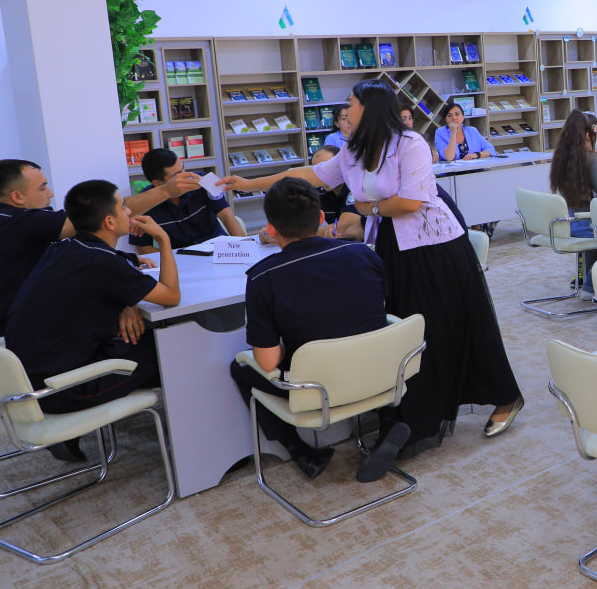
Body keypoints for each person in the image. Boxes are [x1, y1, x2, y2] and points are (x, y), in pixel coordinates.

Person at [220, 79, 523, 454]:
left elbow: (411, 203)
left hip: (435, 245)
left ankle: (505, 397)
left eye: (351, 102)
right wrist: (249, 183)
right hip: (392, 244)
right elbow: (310, 175)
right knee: (406, 329)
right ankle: (413, 414)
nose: (346, 109)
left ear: (371, 108)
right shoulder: (354, 149)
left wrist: (370, 208)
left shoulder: (410, 144)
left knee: (456, 322)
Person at [230, 177, 407, 481]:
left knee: (241, 367)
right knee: (362, 333)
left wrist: (288, 342)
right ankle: (389, 419)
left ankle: (301, 452)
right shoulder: (364, 253)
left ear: (271, 229)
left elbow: (267, 362)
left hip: (318, 390)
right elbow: (376, 313)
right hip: (380, 375)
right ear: (322, 217)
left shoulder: (262, 278)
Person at [4, 180, 180, 459]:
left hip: (24, 380)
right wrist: (164, 240)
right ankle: (193, 441)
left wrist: (129, 299)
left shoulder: (62, 248)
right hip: (62, 389)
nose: (130, 212)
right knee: (173, 346)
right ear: (109, 222)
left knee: (146, 339)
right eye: (124, 208)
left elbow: (107, 273)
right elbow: (171, 296)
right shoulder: (105, 264)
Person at [0, 160, 74, 342]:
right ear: (17, 197)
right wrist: (119, 204)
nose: (50, 194)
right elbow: (95, 219)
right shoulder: (21, 223)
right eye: (42, 188)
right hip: (3, 338)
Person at [549, 110, 597, 292]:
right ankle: (592, 286)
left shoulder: (561, 157)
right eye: (596, 133)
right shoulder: (588, 159)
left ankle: (587, 282)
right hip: (586, 224)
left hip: (567, 223)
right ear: (587, 135)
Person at [129, 148, 245, 252]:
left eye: (183, 169)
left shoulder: (205, 180)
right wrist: (171, 259)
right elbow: (143, 247)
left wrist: (245, 249)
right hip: (182, 258)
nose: (186, 176)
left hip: (218, 249)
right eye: (177, 175)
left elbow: (227, 216)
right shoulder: (143, 204)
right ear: (157, 183)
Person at [308, 146, 363, 239]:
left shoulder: (355, 187)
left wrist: (299, 237)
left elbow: (342, 227)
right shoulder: (318, 191)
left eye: (328, 169)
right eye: (318, 171)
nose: (323, 176)